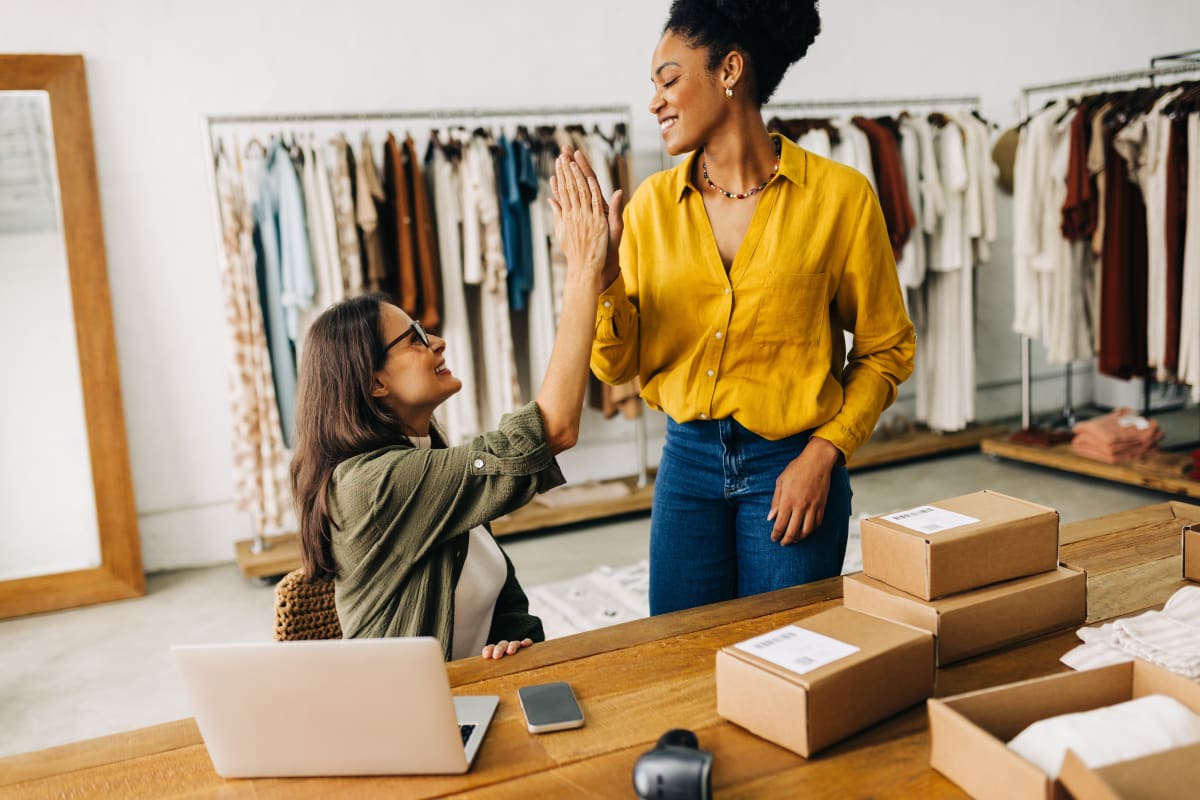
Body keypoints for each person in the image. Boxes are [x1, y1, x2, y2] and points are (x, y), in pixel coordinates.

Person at [589, 0, 916, 615]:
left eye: (668, 80)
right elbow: (615, 367)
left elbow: (886, 349)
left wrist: (825, 454)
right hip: (685, 466)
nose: (655, 102)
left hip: (792, 463)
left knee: (784, 663)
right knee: (679, 661)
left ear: (729, 70)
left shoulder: (840, 198)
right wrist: (601, 275)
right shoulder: (650, 207)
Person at [290, 152, 609, 660]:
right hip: (410, 716)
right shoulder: (371, 486)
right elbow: (553, 429)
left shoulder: (426, 449)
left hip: (466, 694)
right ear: (373, 382)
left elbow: (495, 588)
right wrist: (584, 270)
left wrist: (511, 634)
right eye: (414, 338)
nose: (436, 340)